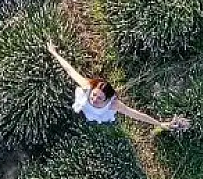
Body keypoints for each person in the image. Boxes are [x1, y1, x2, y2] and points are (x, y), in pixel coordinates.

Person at [46, 41, 190, 131]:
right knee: (85, 107)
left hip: (100, 113)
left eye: (100, 98)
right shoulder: (86, 87)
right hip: (84, 104)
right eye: (95, 94)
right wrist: (54, 52)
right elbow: (70, 70)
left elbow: (137, 115)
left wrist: (160, 123)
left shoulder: (114, 105)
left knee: (95, 117)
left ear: (107, 100)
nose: (95, 99)